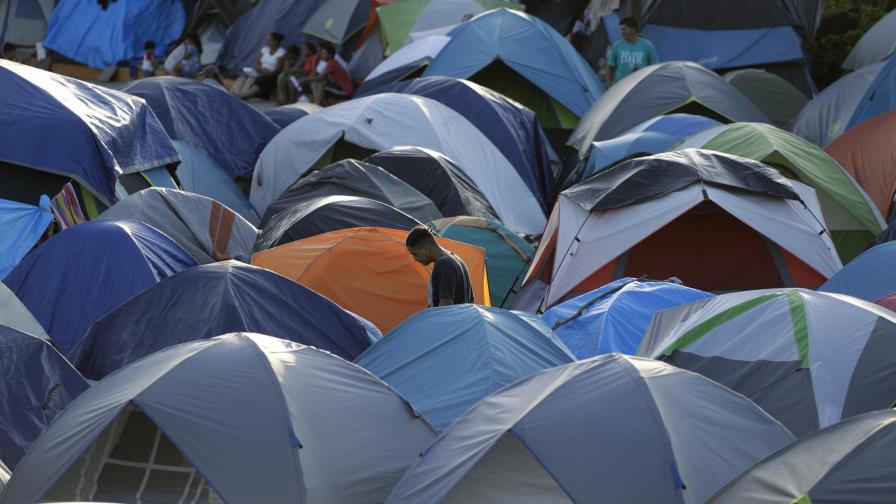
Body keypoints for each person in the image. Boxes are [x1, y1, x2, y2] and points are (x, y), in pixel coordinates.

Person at [406, 226, 474, 307]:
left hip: (450, 319)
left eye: (415, 254)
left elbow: (445, 305)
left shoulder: (444, 264)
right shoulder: (457, 259)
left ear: (425, 249)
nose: (415, 259)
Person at [606, 17, 658, 85]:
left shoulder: (647, 45)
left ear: (633, 29)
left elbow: (654, 67)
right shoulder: (617, 46)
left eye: (624, 29)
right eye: (621, 30)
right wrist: (609, 83)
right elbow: (610, 66)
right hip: (620, 85)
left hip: (640, 85)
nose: (622, 32)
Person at [234, 32, 286, 99]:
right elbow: (258, 63)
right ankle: (237, 93)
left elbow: (278, 69)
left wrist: (267, 73)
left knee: (261, 80)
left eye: (269, 40)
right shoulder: (264, 49)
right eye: (267, 40)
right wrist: (260, 69)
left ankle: (244, 95)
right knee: (244, 76)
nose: (267, 41)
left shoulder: (281, 52)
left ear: (275, 41)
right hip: (261, 71)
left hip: (272, 75)